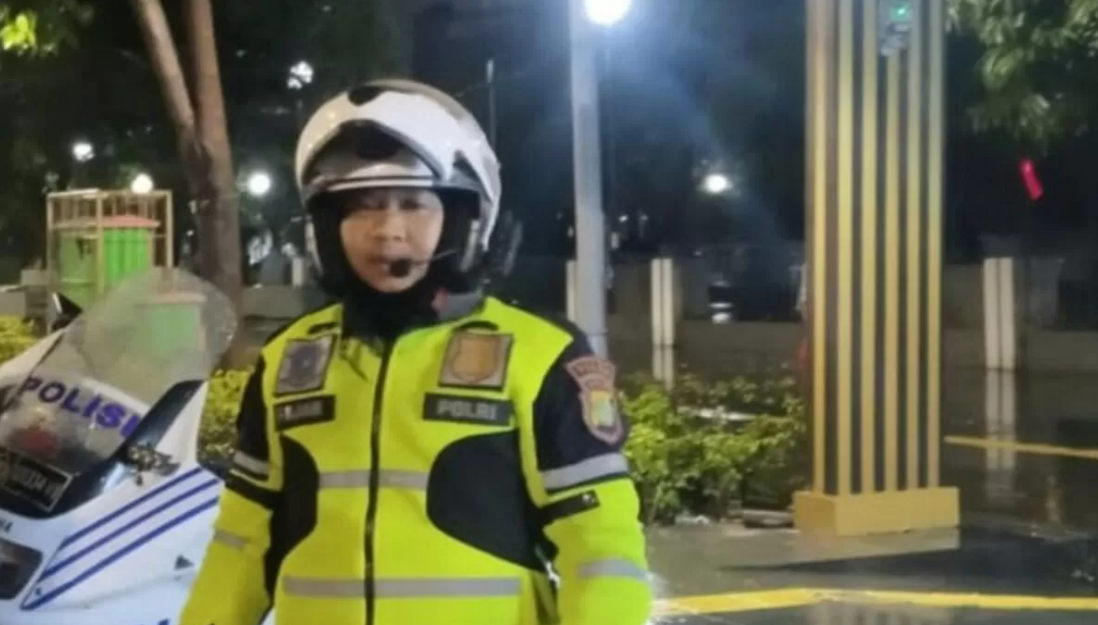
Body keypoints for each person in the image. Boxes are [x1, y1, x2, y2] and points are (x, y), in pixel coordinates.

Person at [179, 79, 652, 625]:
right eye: (363, 206)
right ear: (327, 228)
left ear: (464, 217)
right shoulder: (290, 360)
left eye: (413, 204)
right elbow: (241, 542)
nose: (387, 230)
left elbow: (601, 550)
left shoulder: (541, 355)